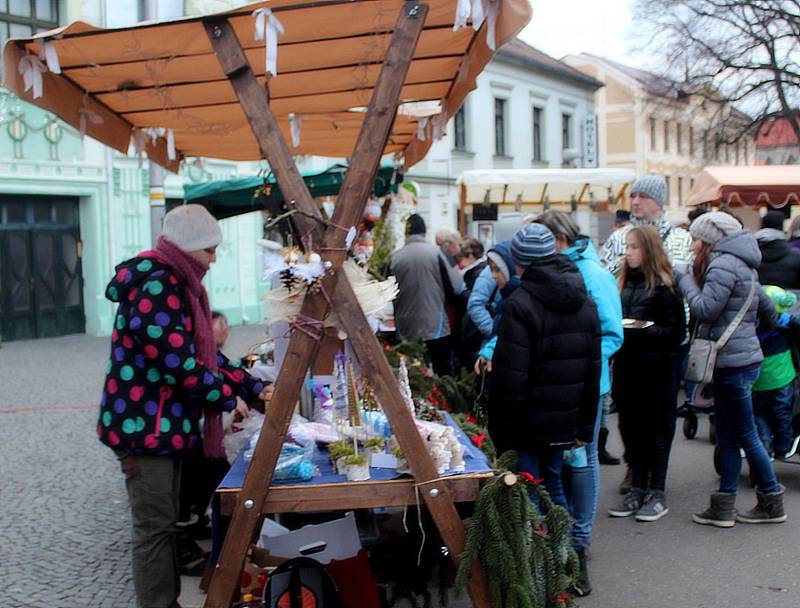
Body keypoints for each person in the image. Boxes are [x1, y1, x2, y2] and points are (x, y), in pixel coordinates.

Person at [98, 205, 270, 608]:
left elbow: (203, 356)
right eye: (209, 250)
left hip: (163, 427)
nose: (214, 259)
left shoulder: (179, 283)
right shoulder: (158, 285)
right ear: (188, 247)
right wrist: (231, 397)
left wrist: (249, 384)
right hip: (143, 429)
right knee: (155, 528)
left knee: (163, 524)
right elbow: (179, 366)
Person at [488, 223, 600, 595]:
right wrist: (584, 426)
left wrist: (502, 434)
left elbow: (510, 378)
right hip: (564, 420)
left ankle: (536, 572)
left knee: (528, 490)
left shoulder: (520, 304)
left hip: (527, 422)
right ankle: (569, 562)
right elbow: (592, 370)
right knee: (553, 486)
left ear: (519, 264)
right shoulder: (584, 300)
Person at [678, 211, 787, 527]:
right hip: (743, 359)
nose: (693, 244)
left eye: (696, 238)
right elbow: (768, 312)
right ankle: (723, 506)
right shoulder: (746, 265)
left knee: (744, 433)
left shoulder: (723, 264)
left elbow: (704, 310)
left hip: (730, 363)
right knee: (727, 435)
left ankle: (770, 499)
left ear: (710, 239)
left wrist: (685, 279)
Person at [533, 211, 622, 590]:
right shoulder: (549, 273)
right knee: (562, 463)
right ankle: (564, 536)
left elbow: (612, 334)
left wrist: (576, 365)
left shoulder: (594, 275)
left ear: (558, 240)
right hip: (554, 386)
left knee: (581, 459)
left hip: (587, 387)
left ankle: (580, 540)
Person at [606, 226, 686, 522]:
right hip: (627, 368)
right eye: (627, 247)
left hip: (657, 370)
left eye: (634, 247)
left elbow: (676, 332)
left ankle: (657, 491)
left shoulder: (665, 286)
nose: (628, 252)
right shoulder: (621, 283)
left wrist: (647, 329)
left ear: (648, 250)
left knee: (657, 431)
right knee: (630, 428)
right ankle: (637, 488)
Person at [388, 214, 462, 376]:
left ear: (407, 232)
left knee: (412, 377)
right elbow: (457, 287)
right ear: (425, 232)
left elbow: (386, 294)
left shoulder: (394, 259)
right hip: (436, 324)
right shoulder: (440, 255)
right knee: (443, 373)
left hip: (406, 327)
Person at [600, 175, 692, 275]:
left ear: (658, 201)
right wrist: (622, 264)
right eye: (633, 196)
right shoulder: (618, 237)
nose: (635, 202)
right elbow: (600, 275)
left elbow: (688, 277)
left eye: (643, 196)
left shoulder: (681, 238)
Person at [752, 286, 800, 459]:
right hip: (783, 377)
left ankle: (764, 442)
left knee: (759, 412)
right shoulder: (788, 322)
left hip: (759, 378)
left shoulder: (753, 325)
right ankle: (783, 446)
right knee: (783, 412)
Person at [756, 210, 800, 289]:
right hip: (790, 300)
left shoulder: (749, 255)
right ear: (782, 227)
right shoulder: (796, 255)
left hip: (756, 300)